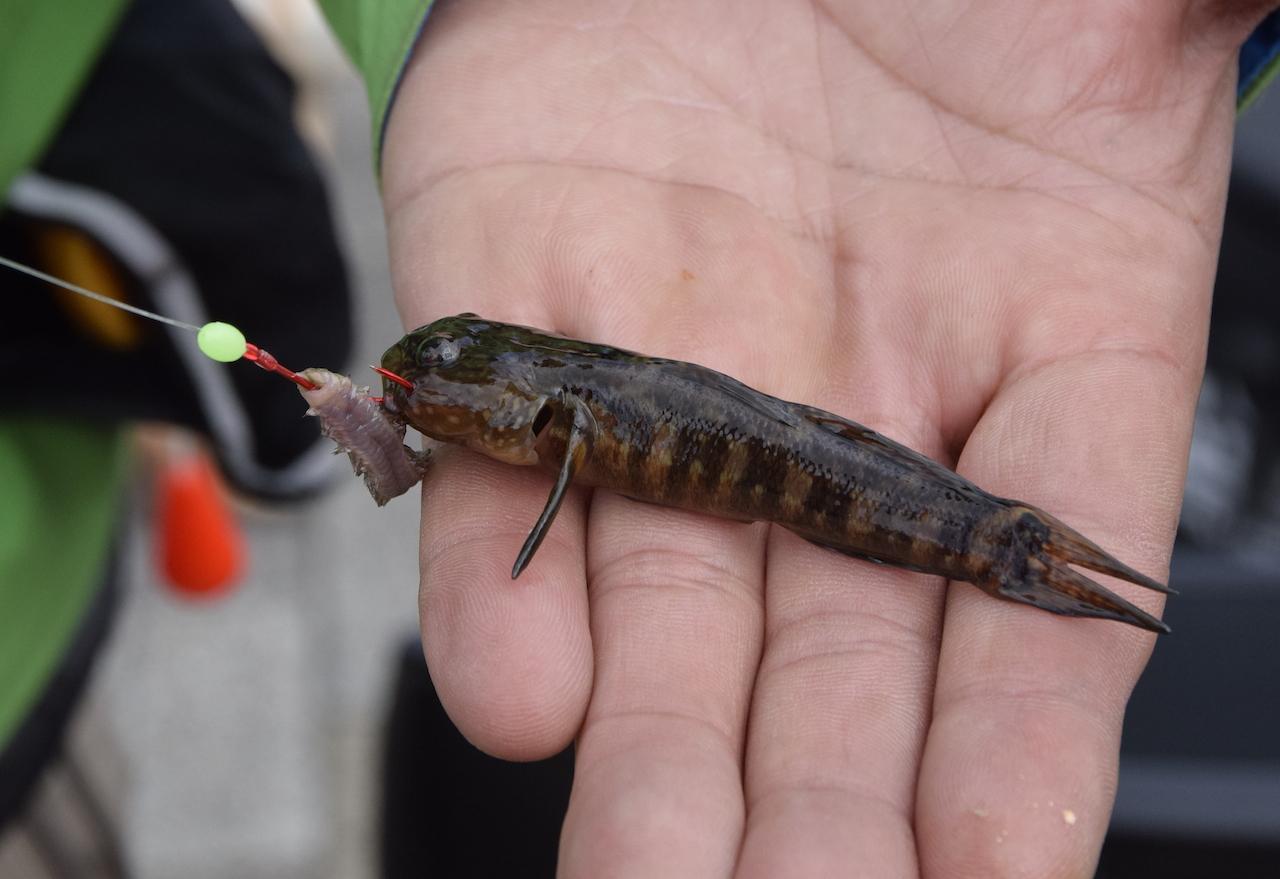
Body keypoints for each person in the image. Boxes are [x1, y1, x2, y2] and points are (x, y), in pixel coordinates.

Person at [367, 1, 1280, 876]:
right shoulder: (547, 396)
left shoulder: (555, 410)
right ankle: (998, 539)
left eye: (444, 391)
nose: (418, 391)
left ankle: (1002, 543)